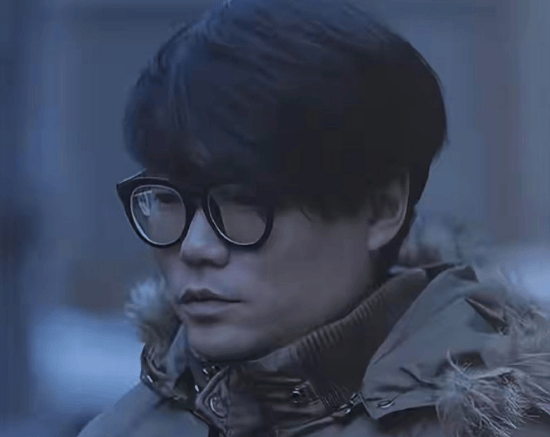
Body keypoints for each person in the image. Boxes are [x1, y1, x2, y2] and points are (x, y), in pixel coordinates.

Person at [78, 0, 550, 436]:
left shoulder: (499, 423)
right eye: (167, 200)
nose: (195, 247)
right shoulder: (121, 430)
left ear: (380, 209)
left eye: (242, 201)